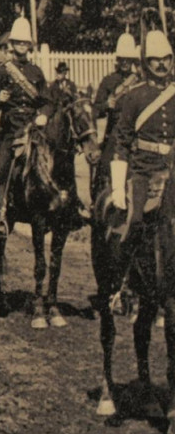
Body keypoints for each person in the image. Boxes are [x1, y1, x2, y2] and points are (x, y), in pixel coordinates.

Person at [108, 30, 175, 262]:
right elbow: (122, 141)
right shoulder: (135, 96)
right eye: (156, 59)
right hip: (144, 171)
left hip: (172, 171)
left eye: (166, 58)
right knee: (134, 222)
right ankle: (125, 284)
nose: (162, 64)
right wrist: (117, 186)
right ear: (147, 62)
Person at [0, 16, 53, 236]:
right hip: (10, 130)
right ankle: (1, 211)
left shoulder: (36, 72)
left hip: (32, 129)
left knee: (52, 160)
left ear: (29, 46)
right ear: (12, 44)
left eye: (25, 43)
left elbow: (47, 101)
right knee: (2, 164)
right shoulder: (2, 71)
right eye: (18, 43)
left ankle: (55, 204)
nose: (22, 46)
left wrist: (43, 114)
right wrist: (0, 100)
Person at [92, 29, 141, 194]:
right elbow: (95, 109)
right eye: (122, 59)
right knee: (105, 165)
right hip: (115, 132)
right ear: (118, 60)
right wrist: (106, 105)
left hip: (138, 130)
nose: (125, 62)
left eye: (129, 59)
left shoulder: (140, 81)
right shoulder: (109, 81)